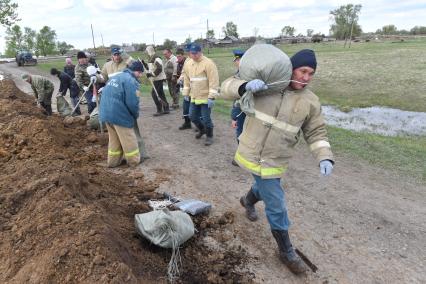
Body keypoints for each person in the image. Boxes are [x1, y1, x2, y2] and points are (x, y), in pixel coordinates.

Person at [220, 46, 335, 274]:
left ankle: (248, 200)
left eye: (311, 73)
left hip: (275, 159)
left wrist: (325, 156)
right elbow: (226, 87)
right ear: (290, 69)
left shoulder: (311, 101)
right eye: (302, 71)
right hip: (252, 153)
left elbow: (316, 132)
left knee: (265, 186)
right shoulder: (268, 85)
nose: (306, 77)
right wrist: (245, 86)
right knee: (276, 203)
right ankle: (286, 251)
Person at [99, 61, 144, 167]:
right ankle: (133, 161)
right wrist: (135, 115)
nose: (141, 75)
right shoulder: (131, 81)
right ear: (136, 71)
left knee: (114, 139)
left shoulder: (117, 76)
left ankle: (113, 162)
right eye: (140, 73)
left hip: (106, 113)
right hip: (118, 115)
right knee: (128, 138)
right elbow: (132, 103)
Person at [182, 43, 219, 146]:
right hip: (194, 96)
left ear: (200, 52)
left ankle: (209, 136)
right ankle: (202, 130)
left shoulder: (209, 63)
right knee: (192, 116)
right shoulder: (189, 63)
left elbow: (214, 81)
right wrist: (186, 92)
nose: (193, 56)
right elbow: (187, 79)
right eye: (191, 53)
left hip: (206, 97)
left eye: (195, 54)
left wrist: (212, 97)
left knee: (206, 118)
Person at [145, 45, 170, 116]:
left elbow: (159, 68)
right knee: (161, 94)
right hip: (156, 79)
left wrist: (152, 74)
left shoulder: (156, 58)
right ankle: (166, 108)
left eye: (147, 51)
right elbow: (151, 67)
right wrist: (144, 64)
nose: (146, 52)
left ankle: (160, 109)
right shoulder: (151, 58)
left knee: (154, 94)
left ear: (149, 50)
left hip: (158, 79)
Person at [176, 47, 192, 130]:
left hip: (194, 89)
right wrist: (179, 80)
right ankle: (187, 123)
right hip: (186, 88)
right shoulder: (185, 62)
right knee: (185, 107)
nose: (189, 53)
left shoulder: (196, 61)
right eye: (188, 51)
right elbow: (183, 73)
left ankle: (201, 125)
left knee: (196, 109)